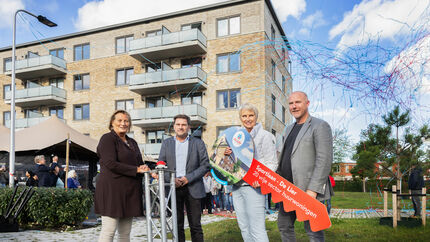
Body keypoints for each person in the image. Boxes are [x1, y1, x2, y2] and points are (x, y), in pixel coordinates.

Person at [277, 91, 333, 242]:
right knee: (284, 226)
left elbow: (324, 160)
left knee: (313, 232)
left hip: (308, 190)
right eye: (291, 103)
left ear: (307, 103)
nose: (294, 106)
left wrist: (312, 190)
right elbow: (285, 157)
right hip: (288, 189)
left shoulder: (320, 125)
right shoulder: (288, 129)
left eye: (298, 102)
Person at [225, 103, 278, 242]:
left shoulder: (265, 136)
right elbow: (232, 163)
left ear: (256, 116)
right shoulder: (235, 137)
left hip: (254, 187)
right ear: (240, 118)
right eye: (244, 116)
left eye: (251, 115)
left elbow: (272, 163)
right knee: (244, 227)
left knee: (257, 229)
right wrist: (227, 154)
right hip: (237, 187)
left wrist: (261, 179)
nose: (247, 119)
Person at [95, 110, 150, 242]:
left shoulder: (132, 142)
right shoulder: (107, 139)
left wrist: (143, 167)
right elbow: (110, 163)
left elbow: (138, 163)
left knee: (125, 233)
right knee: (109, 231)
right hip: (112, 191)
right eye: (119, 120)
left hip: (130, 192)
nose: (123, 123)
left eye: (126, 121)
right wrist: (136, 169)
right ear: (112, 123)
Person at [158, 114, 210, 242]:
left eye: (183, 125)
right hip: (173, 188)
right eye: (178, 124)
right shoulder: (166, 143)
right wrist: (171, 179)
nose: (180, 127)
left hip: (193, 187)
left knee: (196, 226)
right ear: (174, 126)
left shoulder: (198, 143)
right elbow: (161, 165)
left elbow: (205, 165)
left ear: (189, 127)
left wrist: (187, 178)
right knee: (177, 225)